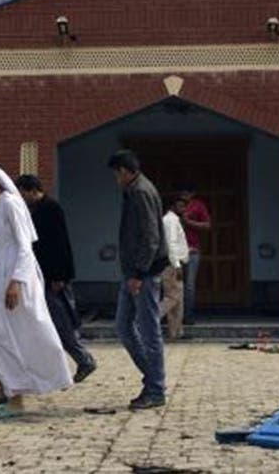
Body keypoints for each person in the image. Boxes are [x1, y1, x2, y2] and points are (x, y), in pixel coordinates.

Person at [0, 162, 72, 419]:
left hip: (16, 276)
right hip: (0, 276)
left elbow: (25, 247)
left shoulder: (11, 204)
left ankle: (15, 397)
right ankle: (7, 388)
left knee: (8, 334)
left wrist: (16, 281)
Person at [16, 173, 97, 383]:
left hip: (54, 276)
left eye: (23, 193)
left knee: (60, 322)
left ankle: (83, 359)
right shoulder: (34, 210)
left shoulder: (51, 209)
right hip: (41, 274)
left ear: (33, 191)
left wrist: (59, 275)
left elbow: (59, 244)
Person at [108, 149, 170, 410]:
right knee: (123, 326)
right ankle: (153, 379)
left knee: (149, 331)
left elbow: (150, 236)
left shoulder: (141, 192)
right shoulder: (135, 190)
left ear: (125, 171)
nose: (116, 179)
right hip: (133, 272)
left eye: (116, 173)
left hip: (143, 273)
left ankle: (156, 389)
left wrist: (139, 273)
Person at [180, 188, 211, 325]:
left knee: (189, 285)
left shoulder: (198, 205)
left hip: (192, 249)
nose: (184, 195)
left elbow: (207, 225)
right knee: (174, 285)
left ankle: (188, 315)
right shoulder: (176, 205)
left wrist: (189, 222)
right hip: (176, 250)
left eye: (187, 192)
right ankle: (173, 317)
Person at [161, 193, 189, 341]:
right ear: (172, 206)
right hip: (172, 265)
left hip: (174, 262)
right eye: (181, 206)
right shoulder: (171, 221)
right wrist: (177, 265)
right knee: (172, 298)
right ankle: (147, 320)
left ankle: (175, 332)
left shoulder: (173, 220)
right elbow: (170, 243)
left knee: (177, 301)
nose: (184, 209)